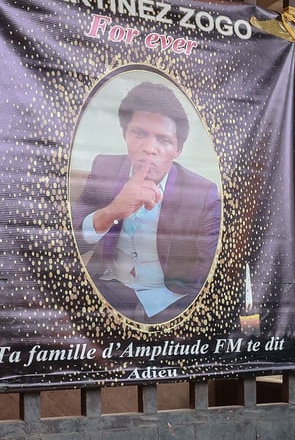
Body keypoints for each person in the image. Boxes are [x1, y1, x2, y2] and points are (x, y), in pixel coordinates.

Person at [73, 81, 222, 323]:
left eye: (163, 140)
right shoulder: (104, 168)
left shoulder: (202, 192)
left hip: (168, 299)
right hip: (106, 289)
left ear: (178, 149)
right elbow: (69, 242)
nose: (149, 149)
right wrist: (111, 212)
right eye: (139, 134)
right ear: (125, 135)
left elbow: (207, 273)